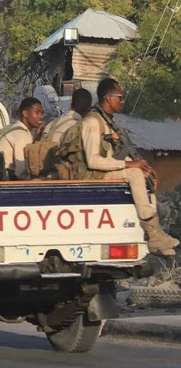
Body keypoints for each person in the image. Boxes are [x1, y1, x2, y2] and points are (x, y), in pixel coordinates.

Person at [73, 78, 179, 256]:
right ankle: (153, 233)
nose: (122, 101)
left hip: (102, 172)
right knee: (135, 174)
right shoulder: (92, 122)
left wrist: (143, 165)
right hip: (91, 174)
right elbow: (93, 161)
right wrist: (130, 164)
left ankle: (153, 235)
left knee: (143, 176)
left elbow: (117, 153)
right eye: (119, 97)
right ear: (108, 98)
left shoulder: (107, 122)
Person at [0, 97, 43, 180]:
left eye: (41, 113)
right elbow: (21, 172)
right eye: (37, 112)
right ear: (25, 113)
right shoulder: (21, 135)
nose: (40, 116)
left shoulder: (14, 128)